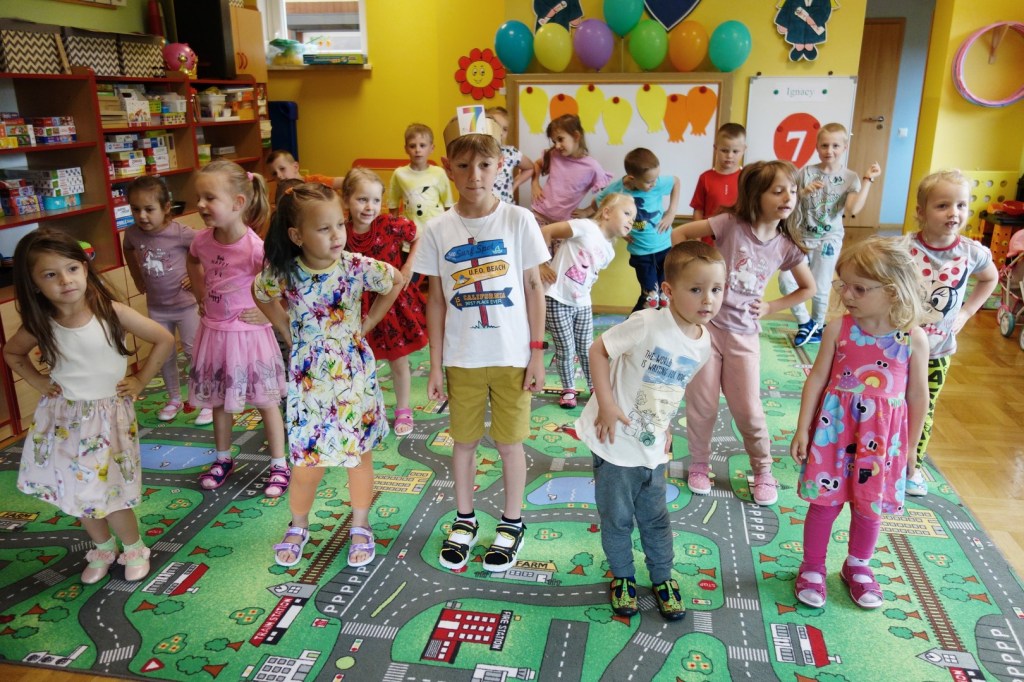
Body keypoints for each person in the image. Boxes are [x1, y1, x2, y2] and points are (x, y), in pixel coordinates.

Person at [413, 119, 548, 572]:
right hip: (462, 357)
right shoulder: (437, 228)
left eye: (485, 165)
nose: (475, 176)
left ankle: (512, 523)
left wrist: (537, 352)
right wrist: (435, 365)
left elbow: (534, 288)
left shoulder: (518, 219)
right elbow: (435, 300)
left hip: (512, 355)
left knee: (510, 444)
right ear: (448, 167)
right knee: (464, 442)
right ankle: (465, 519)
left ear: (500, 165)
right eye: (464, 165)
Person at [4, 229, 175, 584]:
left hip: (108, 419)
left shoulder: (111, 312)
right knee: (77, 489)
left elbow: (163, 339)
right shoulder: (41, 323)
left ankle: (134, 548)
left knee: (111, 491)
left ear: (84, 268)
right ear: (34, 283)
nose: (65, 280)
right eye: (50, 274)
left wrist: (141, 380)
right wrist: (38, 382)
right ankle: (102, 547)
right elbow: (12, 353)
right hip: (64, 420)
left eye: (72, 269)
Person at [256, 182, 403, 568]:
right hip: (308, 384)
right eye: (324, 228)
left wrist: (369, 322)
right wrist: (284, 327)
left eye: (340, 224)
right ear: (297, 236)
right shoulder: (285, 272)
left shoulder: (356, 266)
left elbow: (396, 281)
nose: (337, 234)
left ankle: (360, 525)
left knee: (358, 459)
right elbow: (260, 292)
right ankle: (299, 524)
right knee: (307, 464)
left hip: (353, 379)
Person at [577, 241, 726, 620]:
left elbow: (672, 386)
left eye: (716, 289)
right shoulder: (646, 323)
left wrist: (667, 424)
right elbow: (598, 351)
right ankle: (623, 577)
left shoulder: (703, 342)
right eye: (696, 289)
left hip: (652, 445)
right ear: (669, 290)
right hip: (614, 443)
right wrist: (606, 404)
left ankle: (662, 577)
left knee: (656, 518)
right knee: (618, 519)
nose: (708, 299)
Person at [791, 236, 929, 608]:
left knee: (869, 506)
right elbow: (816, 379)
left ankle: (858, 566)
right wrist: (803, 428)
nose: (847, 294)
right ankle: (812, 566)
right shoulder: (838, 328)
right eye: (844, 285)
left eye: (859, 288)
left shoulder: (912, 339)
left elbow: (918, 397)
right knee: (824, 502)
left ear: (893, 291)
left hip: (881, 443)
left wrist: (911, 449)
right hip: (834, 435)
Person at [671, 160, 816, 506]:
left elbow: (808, 288)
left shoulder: (785, 245)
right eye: (778, 191)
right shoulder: (730, 224)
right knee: (702, 404)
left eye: (792, 191)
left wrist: (771, 307)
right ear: (756, 195)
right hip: (705, 330)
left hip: (744, 336)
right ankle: (700, 464)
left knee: (749, 410)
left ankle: (762, 471)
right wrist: (689, 280)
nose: (788, 197)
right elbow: (680, 235)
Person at [185, 160, 289, 496]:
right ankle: (223, 458)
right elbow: (192, 259)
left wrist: (267, 312)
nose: (201, 205)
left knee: (265, 402)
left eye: (210, 198)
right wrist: (200, 293)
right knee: (218, 399)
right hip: (215, 333)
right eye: (199, 197)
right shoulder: (201, 241)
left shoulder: (254, 248)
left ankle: (279, 464)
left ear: (237, 203)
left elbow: (282, 282)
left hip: (249, 337)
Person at [904, 170, 998, 496]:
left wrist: (968, 311)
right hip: (899, 349)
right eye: (942, 205)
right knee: (890, 404)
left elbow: (990, 278)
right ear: (921, 212)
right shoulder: (903, 248)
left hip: (938, 351)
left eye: (961, 205)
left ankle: (911, 467)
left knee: (924, 409)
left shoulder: (972, 253)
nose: (953, 213)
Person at [778, 122, 882, 346]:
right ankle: (806, 323)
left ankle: (818, 324)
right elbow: (790, 202)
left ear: (844, 147)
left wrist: (867, 180)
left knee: (820, 286)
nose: (829, 150)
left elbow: (853, 209)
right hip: (801, 238)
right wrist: (803, 193)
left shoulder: (850, 178)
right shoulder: (806, 173)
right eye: (824, 145)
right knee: (786, 280)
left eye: (835, 146)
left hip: (828, 240)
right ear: (817, 147)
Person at [342, 167, 428, 436]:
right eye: (362, 199)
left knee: (398, 360)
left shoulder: (390, 225)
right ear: (346, 199)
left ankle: (403, 409)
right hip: (356, 306)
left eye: (376, 200)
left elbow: (419, 235)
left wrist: (409, 265)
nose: (369, 207)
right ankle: (365, 409)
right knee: (358, 362)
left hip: (392, 303)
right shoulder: (341, 232)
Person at [122, 176, 212, 426]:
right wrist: (136, 276)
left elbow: (209, 248)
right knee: (165, 354)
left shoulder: (180, 233)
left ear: (166, 208)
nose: (142, 216)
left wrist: (197, 277)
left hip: (186, 306)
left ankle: (206, 399)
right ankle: (174, 399)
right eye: (135, 209)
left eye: (149, 209)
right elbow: (127, 249)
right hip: (157, 307)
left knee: (194, 352)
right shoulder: (132, 233)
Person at [540, 193, 636, 409]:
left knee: (587, 348)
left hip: (583, 303)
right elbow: (546, 231)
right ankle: (568, 389)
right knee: (566, 348)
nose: (631, 221)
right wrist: (542, 264)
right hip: (557, 298)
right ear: (607, 212)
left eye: (633, 218)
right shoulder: (584, 227)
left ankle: (594, 386)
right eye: (627, 213)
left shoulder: (609, 251)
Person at [592, 147, 679, 312]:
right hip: (642, 253)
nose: (654, 184)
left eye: (656, 178)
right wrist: (621, 231)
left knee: (664, 296)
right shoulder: (617, 190)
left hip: (664, 247)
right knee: (650, 297)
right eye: (649, 181)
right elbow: (599, 204)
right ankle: (631, 325)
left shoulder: (656, 182)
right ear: (632, 178)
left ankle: (658, 324)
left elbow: (676, 182)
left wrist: (672, 212)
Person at [531, 114, 612, 228]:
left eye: (560, 139)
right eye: (554, 141)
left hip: (563, 224)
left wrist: (587, 212)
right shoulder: (554, 155)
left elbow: (608, 195)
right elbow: (537, 164)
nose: (557, 146)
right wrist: (535, 184)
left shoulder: (592, 167)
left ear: (576, 136)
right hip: (539, 214)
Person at [388, 123, 454, 232]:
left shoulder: (439, 173)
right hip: (410, 233)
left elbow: (448, 205)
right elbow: (393, 205)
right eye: (412, 146)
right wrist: (393, 231)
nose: (417, 150)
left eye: (422, 145)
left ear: (431, 148)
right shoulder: (399, 174)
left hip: (436, 232)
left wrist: (449, 230)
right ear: (406, 149)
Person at [690, 122, 747, 223]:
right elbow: (698, 211)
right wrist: (697, 233)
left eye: (735, 151)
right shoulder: (705, 178)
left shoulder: (747, 178)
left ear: (744, 150)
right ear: (715, 148)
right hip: (708, 233)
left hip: (738, 232)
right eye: (724, 150)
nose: (729, 156)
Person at [486, 106, 534, 204]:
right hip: (481, 208)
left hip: (506, 207)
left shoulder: (510, 153)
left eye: (505, 129)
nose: (501, 133)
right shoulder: (477, 153)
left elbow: (530, 168)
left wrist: (514, 185)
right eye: (496, 126)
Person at [266, 149, 343, 190]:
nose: (278, 175)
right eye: (274, 174)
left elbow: (344, 182)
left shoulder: (315, 181)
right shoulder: (284, 193)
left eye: (282, 169)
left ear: (295, 167)